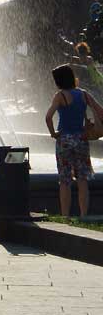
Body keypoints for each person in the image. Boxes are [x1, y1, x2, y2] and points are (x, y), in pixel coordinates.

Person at [45, 64, 103, 217]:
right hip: (81, 138)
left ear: (59, 81)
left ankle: (66, 216)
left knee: (65, 181)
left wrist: (53, 133)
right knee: (82, 180)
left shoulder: (60, 96)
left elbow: (48, 117)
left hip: (64, 140)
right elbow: (101, 111)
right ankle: (84, 216)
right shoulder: (83, 94)